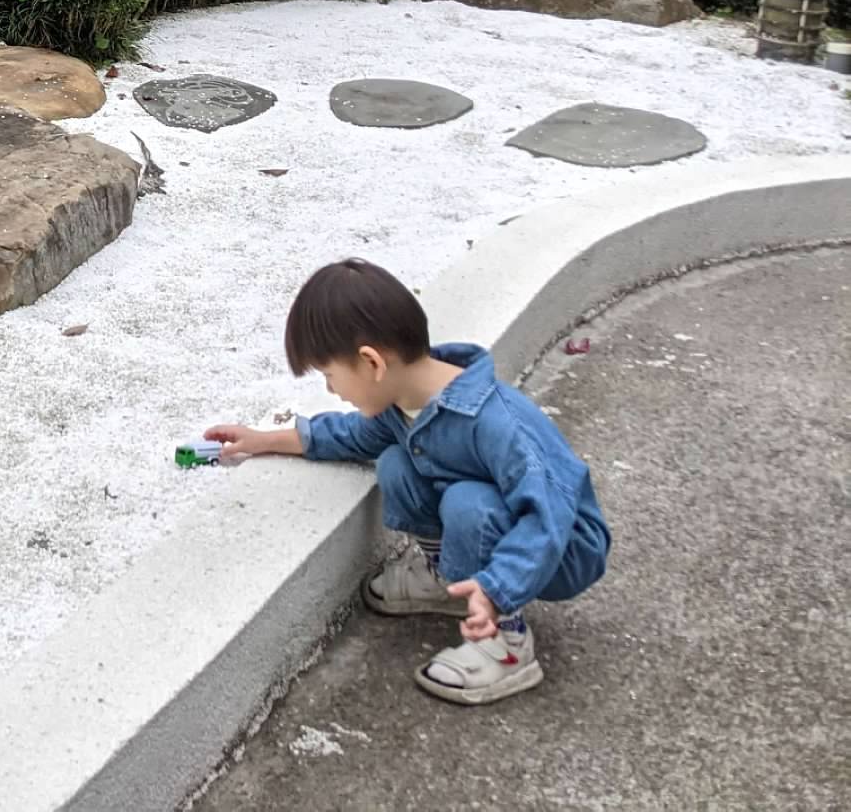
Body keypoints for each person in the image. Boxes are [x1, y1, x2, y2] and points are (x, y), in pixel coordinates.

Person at [205, 257, 610, 705]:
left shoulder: (497, 424)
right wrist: (266, 440)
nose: (332, 391)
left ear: (372, 362)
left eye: (331, 376)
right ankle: (449, 579)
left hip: (563, 546)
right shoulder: (404, 405)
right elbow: (349, 436)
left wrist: (498, 587)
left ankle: (508, 645)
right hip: (513, 524)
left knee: (466, 504)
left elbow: (547, 513)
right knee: (396, 464)